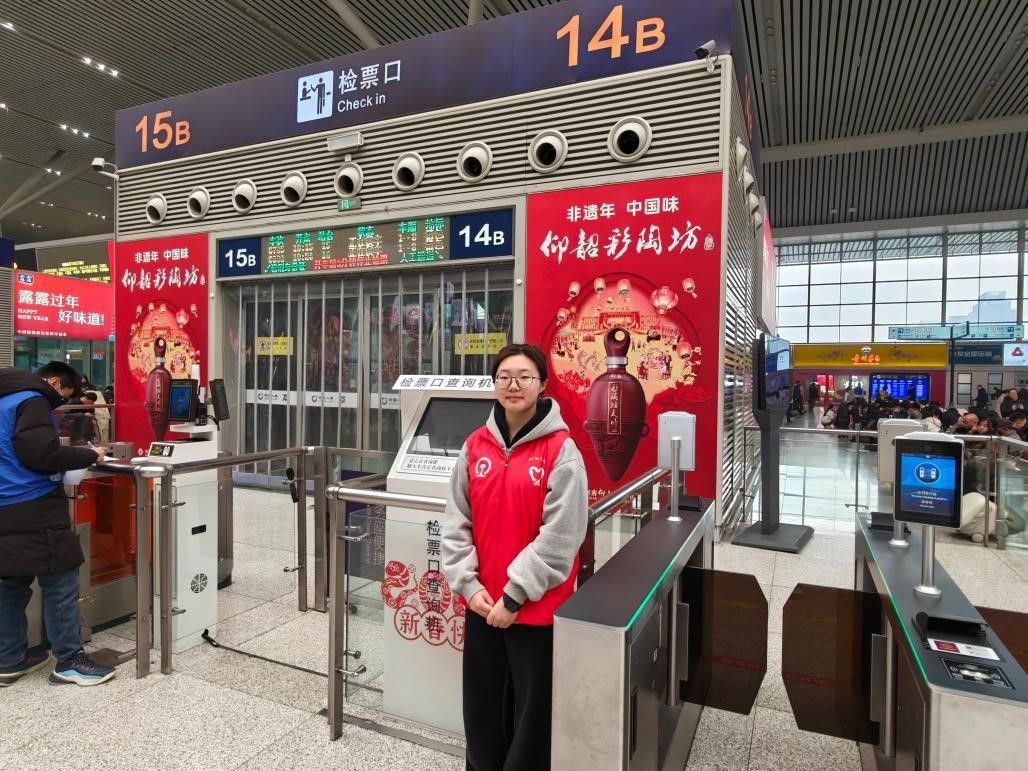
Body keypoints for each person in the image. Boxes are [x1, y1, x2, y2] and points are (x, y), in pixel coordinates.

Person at [442, 343, 587, 771]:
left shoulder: (561, 451)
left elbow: (562, 535)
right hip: (482, 604)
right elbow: (456, 521)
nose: (513, 385)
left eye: (524, 377)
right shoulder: (475, 446)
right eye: (504, 376)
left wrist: (514, 595)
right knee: (482, 711)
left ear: (542, 385)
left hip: (535, 611)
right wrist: (469, 587)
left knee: (530, 719)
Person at [0, 362, 114, 687]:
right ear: (53, 382)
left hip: (5, 503)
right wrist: (89, 454)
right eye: (63, 395)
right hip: (34, 504)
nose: (61, 402)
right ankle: (69, 660)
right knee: (60, 579)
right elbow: (41, 455)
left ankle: (8, 660)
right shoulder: (31, 399)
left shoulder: (4, 398)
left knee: (11, 583)